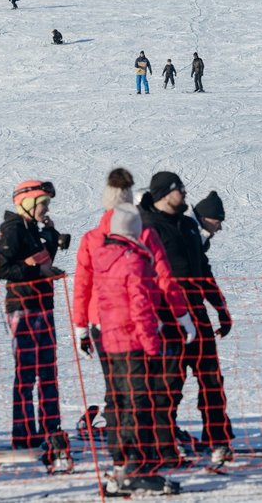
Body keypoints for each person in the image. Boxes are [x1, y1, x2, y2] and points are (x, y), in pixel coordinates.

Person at [73, 169, 191, 483]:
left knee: (117, 391)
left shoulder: (92, 237)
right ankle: (142, 456)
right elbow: (164, 279)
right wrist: (181, 315)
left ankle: (124, 456)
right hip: (136, 326)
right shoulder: (143, 234)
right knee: (142, 392)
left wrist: (81, 325)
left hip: (102, 325)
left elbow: (82, 284)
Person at [138, 172, 232, 464]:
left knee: (211, 380)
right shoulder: (147, 227)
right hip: (166, 318)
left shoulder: (189, 225)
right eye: (180, 190)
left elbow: (204, 270)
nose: (185, 194)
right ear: (165, 193)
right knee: (169, 383)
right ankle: (163, 442)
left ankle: (217, 439)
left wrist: (220, 307)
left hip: (197, 315)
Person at [92, 204, 186, 495]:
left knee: (120, 400)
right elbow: (140, 306)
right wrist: (152, 345)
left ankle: (122, 466)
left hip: (112, 340)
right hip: (134, 342)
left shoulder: (105, 257)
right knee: (139, 402)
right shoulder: (134, 261)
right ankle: (138, 468)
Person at [0, 180, 66, 452]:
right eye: (43, 203)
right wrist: (33, 271)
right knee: (27, 373)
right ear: (27, 203)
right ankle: (23, 433)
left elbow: (43, 259)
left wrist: (50, 235)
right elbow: (3, 269)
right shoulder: (12, 230)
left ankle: (50, 430)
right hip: (23, 306)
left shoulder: (33, 229)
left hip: (42, 305)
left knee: (48, 370)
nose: (46, 208)